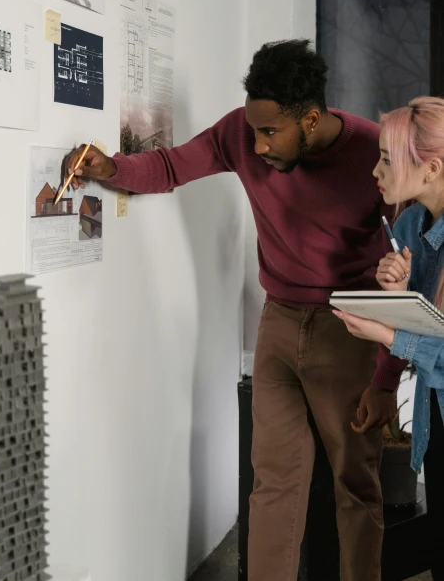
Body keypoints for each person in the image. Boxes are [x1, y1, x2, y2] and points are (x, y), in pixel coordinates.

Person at [65, 39, 405, 581]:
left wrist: (386, 380)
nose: (258, 145)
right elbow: (173, 166)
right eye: (253, 130)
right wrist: (111, 167)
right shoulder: (241, 134)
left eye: (272, 132)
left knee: (355, 482)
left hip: (349, 329)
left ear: (311, 120)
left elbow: (407, 267)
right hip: (277, 325)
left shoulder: (373, 154)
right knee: (273, 481)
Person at [333, 96, 444, 581]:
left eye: (386, 159)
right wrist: (397, 293)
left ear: (431, 168)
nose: (376, 172)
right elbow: (427, 325)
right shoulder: (409, 225)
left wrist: (383, 329)